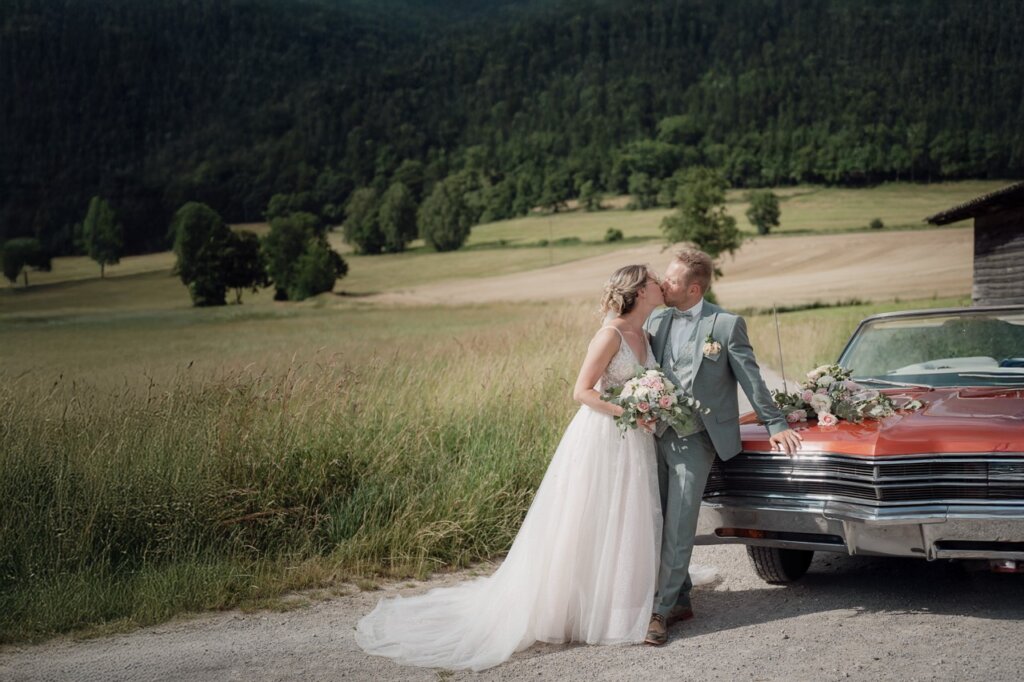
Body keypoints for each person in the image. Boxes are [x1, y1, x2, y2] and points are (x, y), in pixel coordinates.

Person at [356, 265, 677, 671]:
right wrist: (628, 410)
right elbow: (581, 391)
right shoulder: (609, 334)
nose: (659, 283)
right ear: (638, 291)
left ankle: (621, 602)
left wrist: (647, 409)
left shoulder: (646, 335)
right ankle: (575, 604)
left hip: (635, 440)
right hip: (603, 436)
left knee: (626, 517)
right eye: (652, 279)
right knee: (588, 516)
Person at [642, 247, 802, 646]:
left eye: (673, 280)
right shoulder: (657, 320)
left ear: (694, 289)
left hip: (698, 437)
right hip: (654, 435)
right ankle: (679, 601)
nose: (664, 284)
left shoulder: (726, 325)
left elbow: (751, 379)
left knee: (680, 525)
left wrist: (775, 422)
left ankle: (660, 612)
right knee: (657, 520)